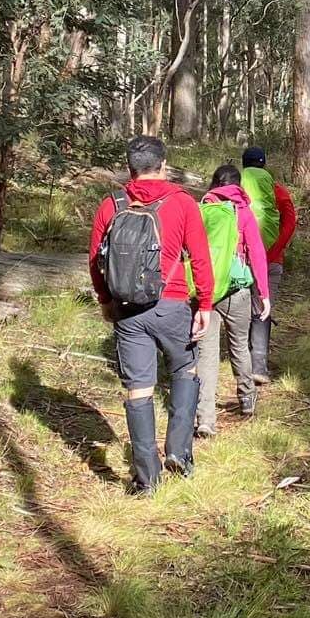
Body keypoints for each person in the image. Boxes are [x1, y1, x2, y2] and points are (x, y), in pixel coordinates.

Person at [88, 135, 212, 493]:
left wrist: (104, 298)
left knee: (138, 390)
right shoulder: (182, 203)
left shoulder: (111, 205)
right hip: (172, 306)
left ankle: (146, 478)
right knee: (184, 370)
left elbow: (96, 260)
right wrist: (203, 303)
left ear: (130, 168)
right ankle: (179, 453)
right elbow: (199, 257)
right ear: (163, 165)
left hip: (128, 312)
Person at [195, 165, 271, 439]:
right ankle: (247, 398)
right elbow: (257, 254)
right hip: (237, 290)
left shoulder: (202, 208)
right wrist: (263, 294)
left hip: (206, 291)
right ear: (238, 185)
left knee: (206, 354)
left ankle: (205, 417)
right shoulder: (243, 211)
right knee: (239, 344)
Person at [240, 145, 296, 384]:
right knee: (263, 309)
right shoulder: (277, 190)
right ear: (264, 165)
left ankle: (239, 361)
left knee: (238, 310)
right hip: (271, 261)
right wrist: (274, 250)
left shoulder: (235, 191)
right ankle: (259, 365)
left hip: (239, 260)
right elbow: (290, 222)